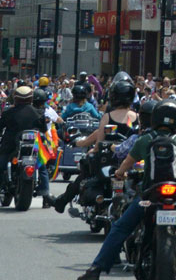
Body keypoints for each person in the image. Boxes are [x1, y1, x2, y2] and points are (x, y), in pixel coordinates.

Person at [76, 97, 176, 280]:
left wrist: (119, 173)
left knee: (121, 227)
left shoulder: (145, 140)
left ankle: (96, 269)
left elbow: (125, 164)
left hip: (149, 194)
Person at [47, 72, 137, 213]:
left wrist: (92, 150)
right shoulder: (136, 117)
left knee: (84, 174)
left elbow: (98, 143)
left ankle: (62, 202)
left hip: (108, 159)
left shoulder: (108, 116)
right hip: (131, 161)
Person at [0, 86, 44, 186]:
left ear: (15, 98)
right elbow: (44, 129)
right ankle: (44, 191)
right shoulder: (39, 113)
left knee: (1, 164)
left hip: (10, 146)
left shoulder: (8, 112)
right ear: (31, 98)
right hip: (34, 147)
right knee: (42, 167)